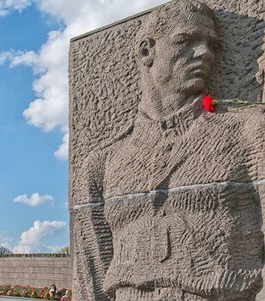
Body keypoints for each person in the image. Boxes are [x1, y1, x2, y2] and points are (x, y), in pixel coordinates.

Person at [72, 1, 265, 300]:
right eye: (186, 41)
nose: (205, 53)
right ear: (147, 51)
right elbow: (91, 282)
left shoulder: (248, 132)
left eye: (211, 44)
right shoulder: (101, 164)